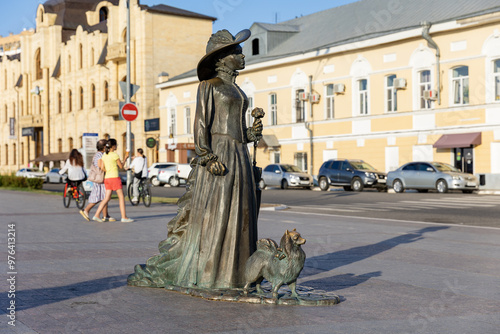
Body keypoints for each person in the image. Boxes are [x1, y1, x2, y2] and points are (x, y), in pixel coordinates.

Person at [128, 29, 263, 289]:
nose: (242, 56)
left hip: (239, 155)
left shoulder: (236, 89)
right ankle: (213, 273)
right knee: (220, 211)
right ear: (222, 59)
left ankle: (235, 274)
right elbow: (202, 124)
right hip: (221, 155)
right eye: (237, 52)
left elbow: (236, 128)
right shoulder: (209, 86)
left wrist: (250, 133)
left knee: (241, 212)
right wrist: (206, 154)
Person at [93, 138, 134, 223]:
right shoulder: (115, 155)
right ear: (113, 146)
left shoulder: (104, 155)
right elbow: (121, 166)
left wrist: (108, 170)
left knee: (106, 198)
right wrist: (125, 158)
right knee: (121, 197)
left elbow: (102, 167)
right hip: (115, 178)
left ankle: (96, 215)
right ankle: (124, 217)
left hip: (107, 178)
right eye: (116, 145)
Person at [80, 139, 115, 222]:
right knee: (99, 197)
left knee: (104, 197)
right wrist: (110, 169)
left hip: (101, 179)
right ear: (103, 147)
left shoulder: (100, 154)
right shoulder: (99, 155)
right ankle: (86, 210)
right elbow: (100, 166)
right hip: (99, 179)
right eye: (106, 146)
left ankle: (105, 215)